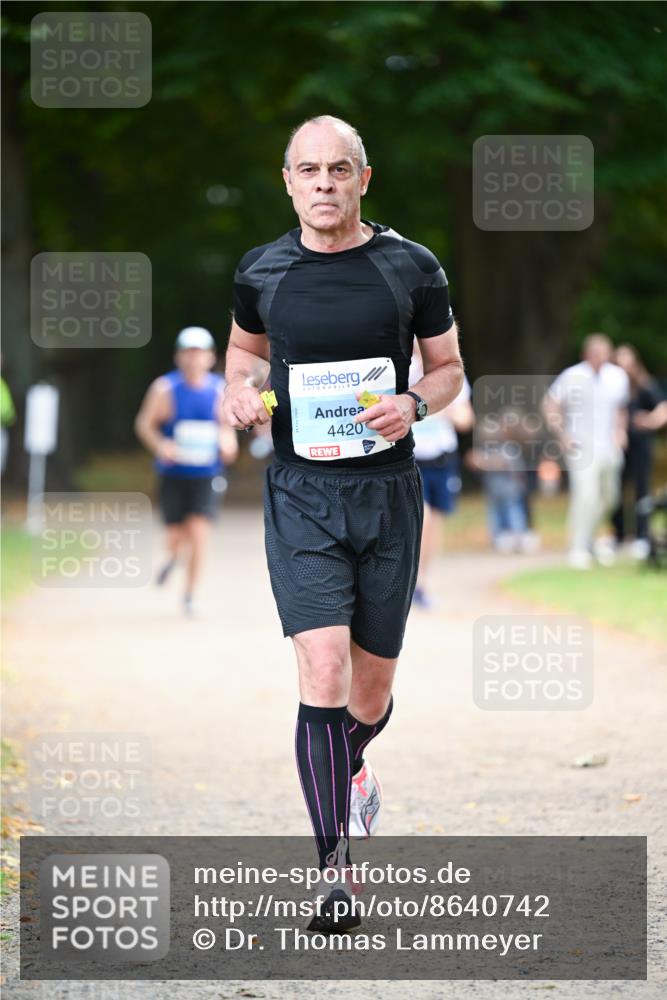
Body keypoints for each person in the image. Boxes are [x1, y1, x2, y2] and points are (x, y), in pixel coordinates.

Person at [222, 115, 463, 932]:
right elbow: (246, 356)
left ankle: (347, 767)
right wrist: (238, 394)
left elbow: (448, 369)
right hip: (300, 492)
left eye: (338, 169)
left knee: (369, 691)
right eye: (307, 170)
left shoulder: (410, 266)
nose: (323, 183)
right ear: (285, 181)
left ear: (364, 178)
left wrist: (414, 403)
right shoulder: (261, 270)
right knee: (320, 670)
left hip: (388, 493)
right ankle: (333, 870)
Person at [135, 327, 238, 615]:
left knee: (199, 532)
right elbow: (144, 424)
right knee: (175, 534)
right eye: (188, 353)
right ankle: (172, 556)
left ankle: (190, 595)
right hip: (173, 473)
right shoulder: (164, 389)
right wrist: (160, 445)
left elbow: (226, 428)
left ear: (210, 357)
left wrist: (227, 441)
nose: (194, 360)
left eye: (200, 353)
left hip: (206, 474)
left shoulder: (219, 390)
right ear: (178, 357)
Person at [543, 334, 629, 570]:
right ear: (587, 355)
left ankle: (590, 540)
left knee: (610, 497)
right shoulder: (572, 376)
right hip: (581, 448)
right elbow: (550, 403)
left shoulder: (617, 376)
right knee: (586, 496)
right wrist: (562, 434)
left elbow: (620, 408)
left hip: (609, 448)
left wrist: (620, 432)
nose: (600, 358)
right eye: (595, 354)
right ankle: (578, 548)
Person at [408, 346, 473, 607]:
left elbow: (466, 419)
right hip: (411, 458)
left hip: (441, 458)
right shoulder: (405, 371)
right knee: (419, 520)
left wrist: (440, 410)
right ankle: (408, 581)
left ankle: (422, 582)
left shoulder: (449, 371)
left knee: (433, 523)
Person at [611, 344, 664, 559]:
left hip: (641, 443)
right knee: (616, 491)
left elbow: (663, 409)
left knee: (641, 489)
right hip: (617, 445)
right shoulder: (613, 386)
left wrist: (649, 422)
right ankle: (619, 534)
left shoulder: (645, 386)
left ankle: (642, 536)